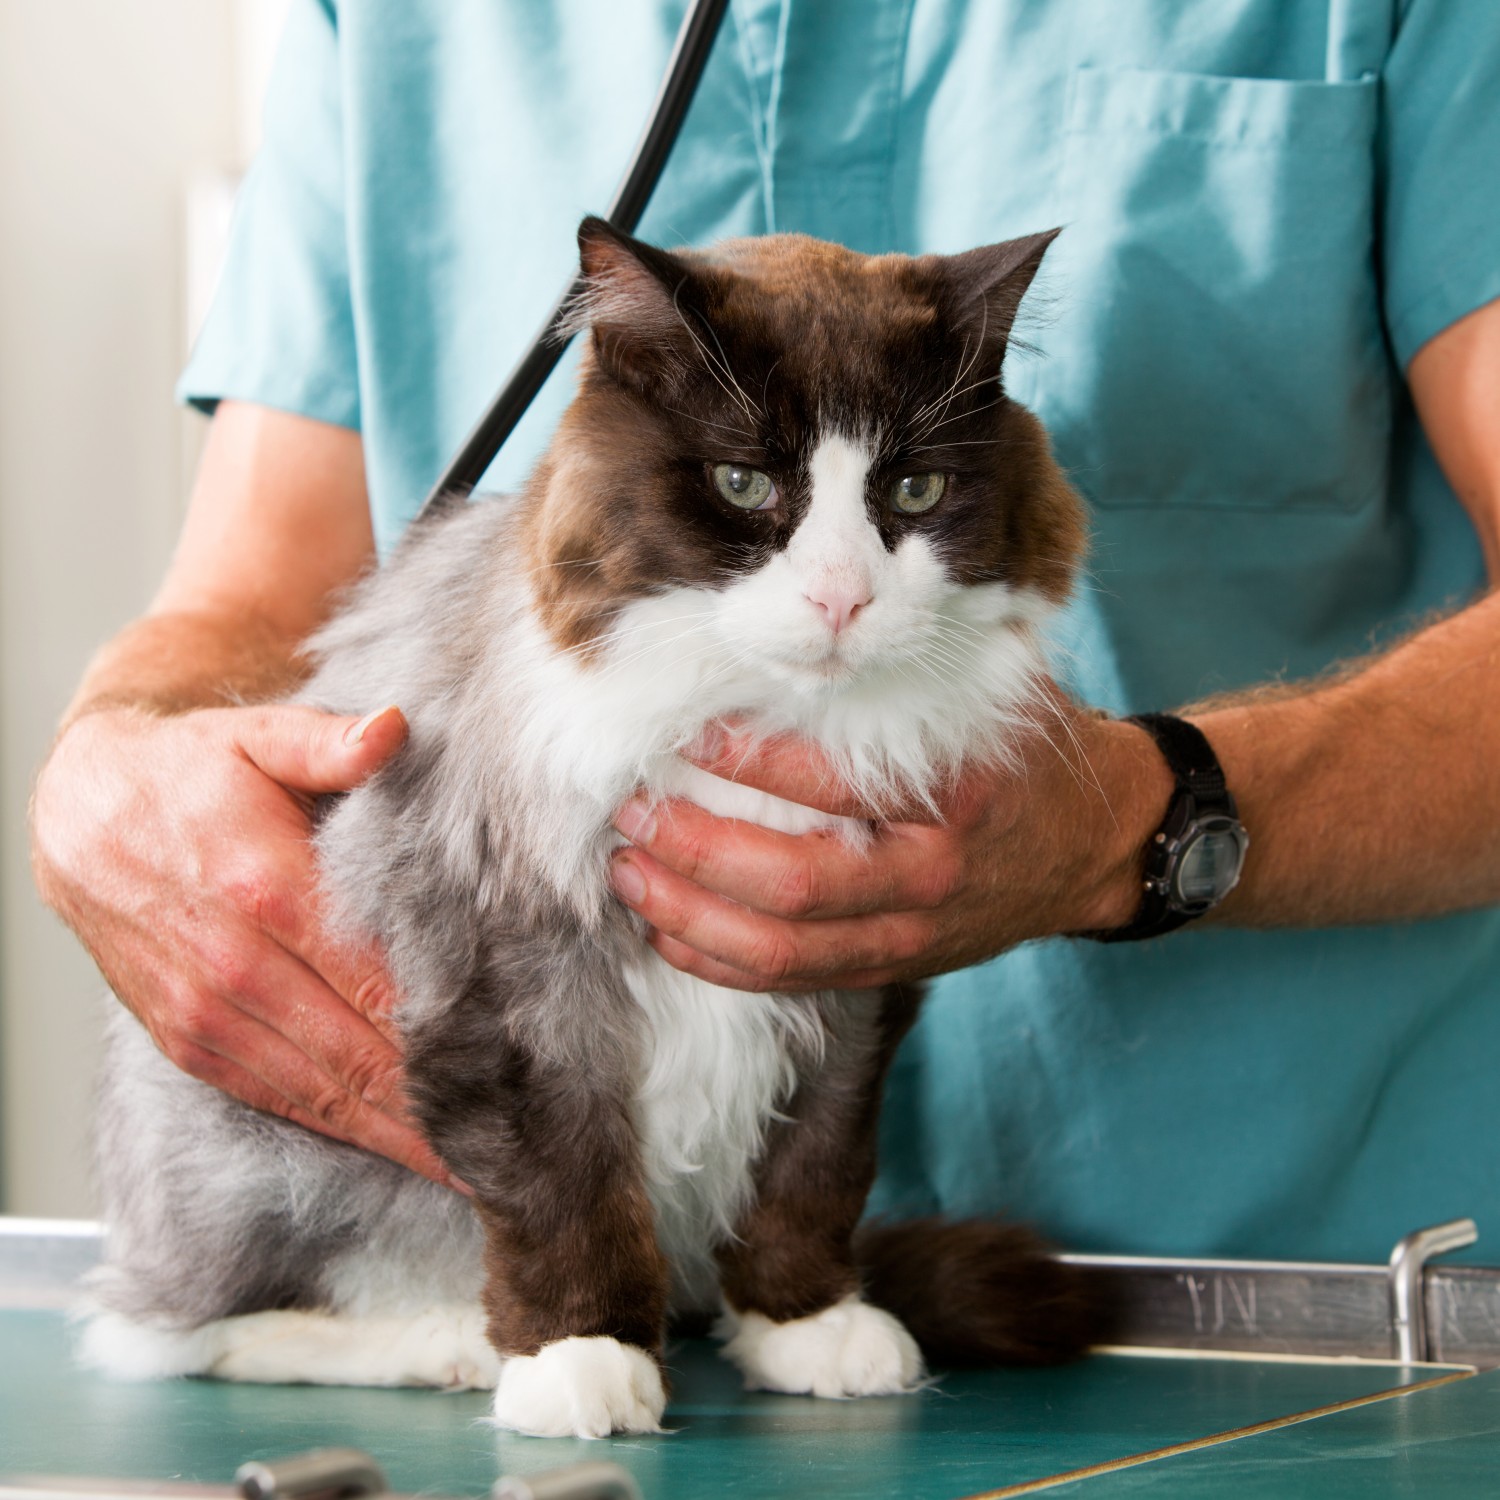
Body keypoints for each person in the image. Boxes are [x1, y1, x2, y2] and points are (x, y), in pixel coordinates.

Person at [31, 0, 1500, 1262]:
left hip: (1271, 1306)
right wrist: (108, 771)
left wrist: (1137, 822)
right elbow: (246, 607)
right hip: (567, 1296)